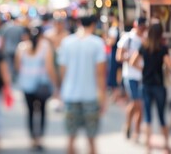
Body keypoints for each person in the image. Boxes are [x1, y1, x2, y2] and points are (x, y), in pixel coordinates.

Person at [57, 15, 107, 154]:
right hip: (90, 95)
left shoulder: (67, 42)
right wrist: (102, 96)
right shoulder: (97, 43)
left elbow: (62, 71)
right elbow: (100, 74)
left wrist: (62, 91)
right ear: (93, 24)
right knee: (91, 139)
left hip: (70, 95)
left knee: (71, 138)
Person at [130, 23, 171, 154]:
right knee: (161, 116)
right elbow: (170, 65)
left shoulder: (144, 47)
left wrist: (143, 69)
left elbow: (132, 62)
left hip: (146, 84)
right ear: (161, 34)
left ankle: (148, 147)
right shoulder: (163, 48)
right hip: (159, 85)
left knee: (147, 117)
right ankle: (166, 145)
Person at [15, 26, 58, 151]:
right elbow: (49, 68)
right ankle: (39, 138)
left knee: (30, 112)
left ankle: (33, 139)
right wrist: (55, 83)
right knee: (42, 111)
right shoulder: (45, 46)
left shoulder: (21, 47)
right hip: (42, 84)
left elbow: (17, 66)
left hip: (26, 84)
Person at [116, 17, 147, 141]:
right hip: (130, 75)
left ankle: (135, 130)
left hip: (143, 77)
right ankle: (131, 127)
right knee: (137, 103)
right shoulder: (127, 38)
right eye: (141, 26)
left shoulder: (146, 39)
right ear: (136, 25)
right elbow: (119, 57)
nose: (142, 29)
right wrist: (133, 61)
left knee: (138, 105)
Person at [0, 15, 25, 81]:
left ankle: (10, 77)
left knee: (9, 64)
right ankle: (15, 76)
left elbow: (3, 39)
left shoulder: (5, 27)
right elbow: (23, 39)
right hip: (17, 49)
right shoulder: (20, 28)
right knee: (16, 63)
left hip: (7, 49)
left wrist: (1, 49)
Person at [106, 14, 122, 101]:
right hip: (117, 54)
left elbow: (111, 42)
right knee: (118, 73)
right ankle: (117, 93)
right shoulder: (118, 29)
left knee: (114, 73)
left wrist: (107, 40)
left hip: (115, 54)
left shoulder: (114, 29)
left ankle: (116, 94)